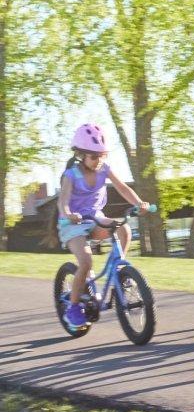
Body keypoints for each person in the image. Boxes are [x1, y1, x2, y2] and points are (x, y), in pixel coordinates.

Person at [58, 123, 150, 330]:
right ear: (81, 154)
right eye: (94, 156)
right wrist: (68, 214)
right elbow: (62, 200)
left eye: (102, 155)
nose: (98, 160)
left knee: (123, 228)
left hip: (95, 219)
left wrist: (138, 203)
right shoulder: (71, 175)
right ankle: (73, 308)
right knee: (86, 262)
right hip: (72, 224)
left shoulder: (104, 169)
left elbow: (123, 188)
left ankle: (120, 272)